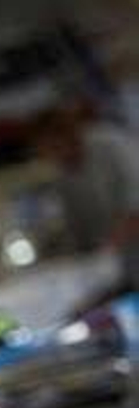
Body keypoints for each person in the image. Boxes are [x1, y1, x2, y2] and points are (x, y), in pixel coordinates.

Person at [32, 101, 139, 297]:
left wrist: (108, 248)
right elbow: (78, 233)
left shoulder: (111, 144)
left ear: (66, 135)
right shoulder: (64, 177)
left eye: (53, 147)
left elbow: (135, 204)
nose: (51, 156)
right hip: (119, 269)